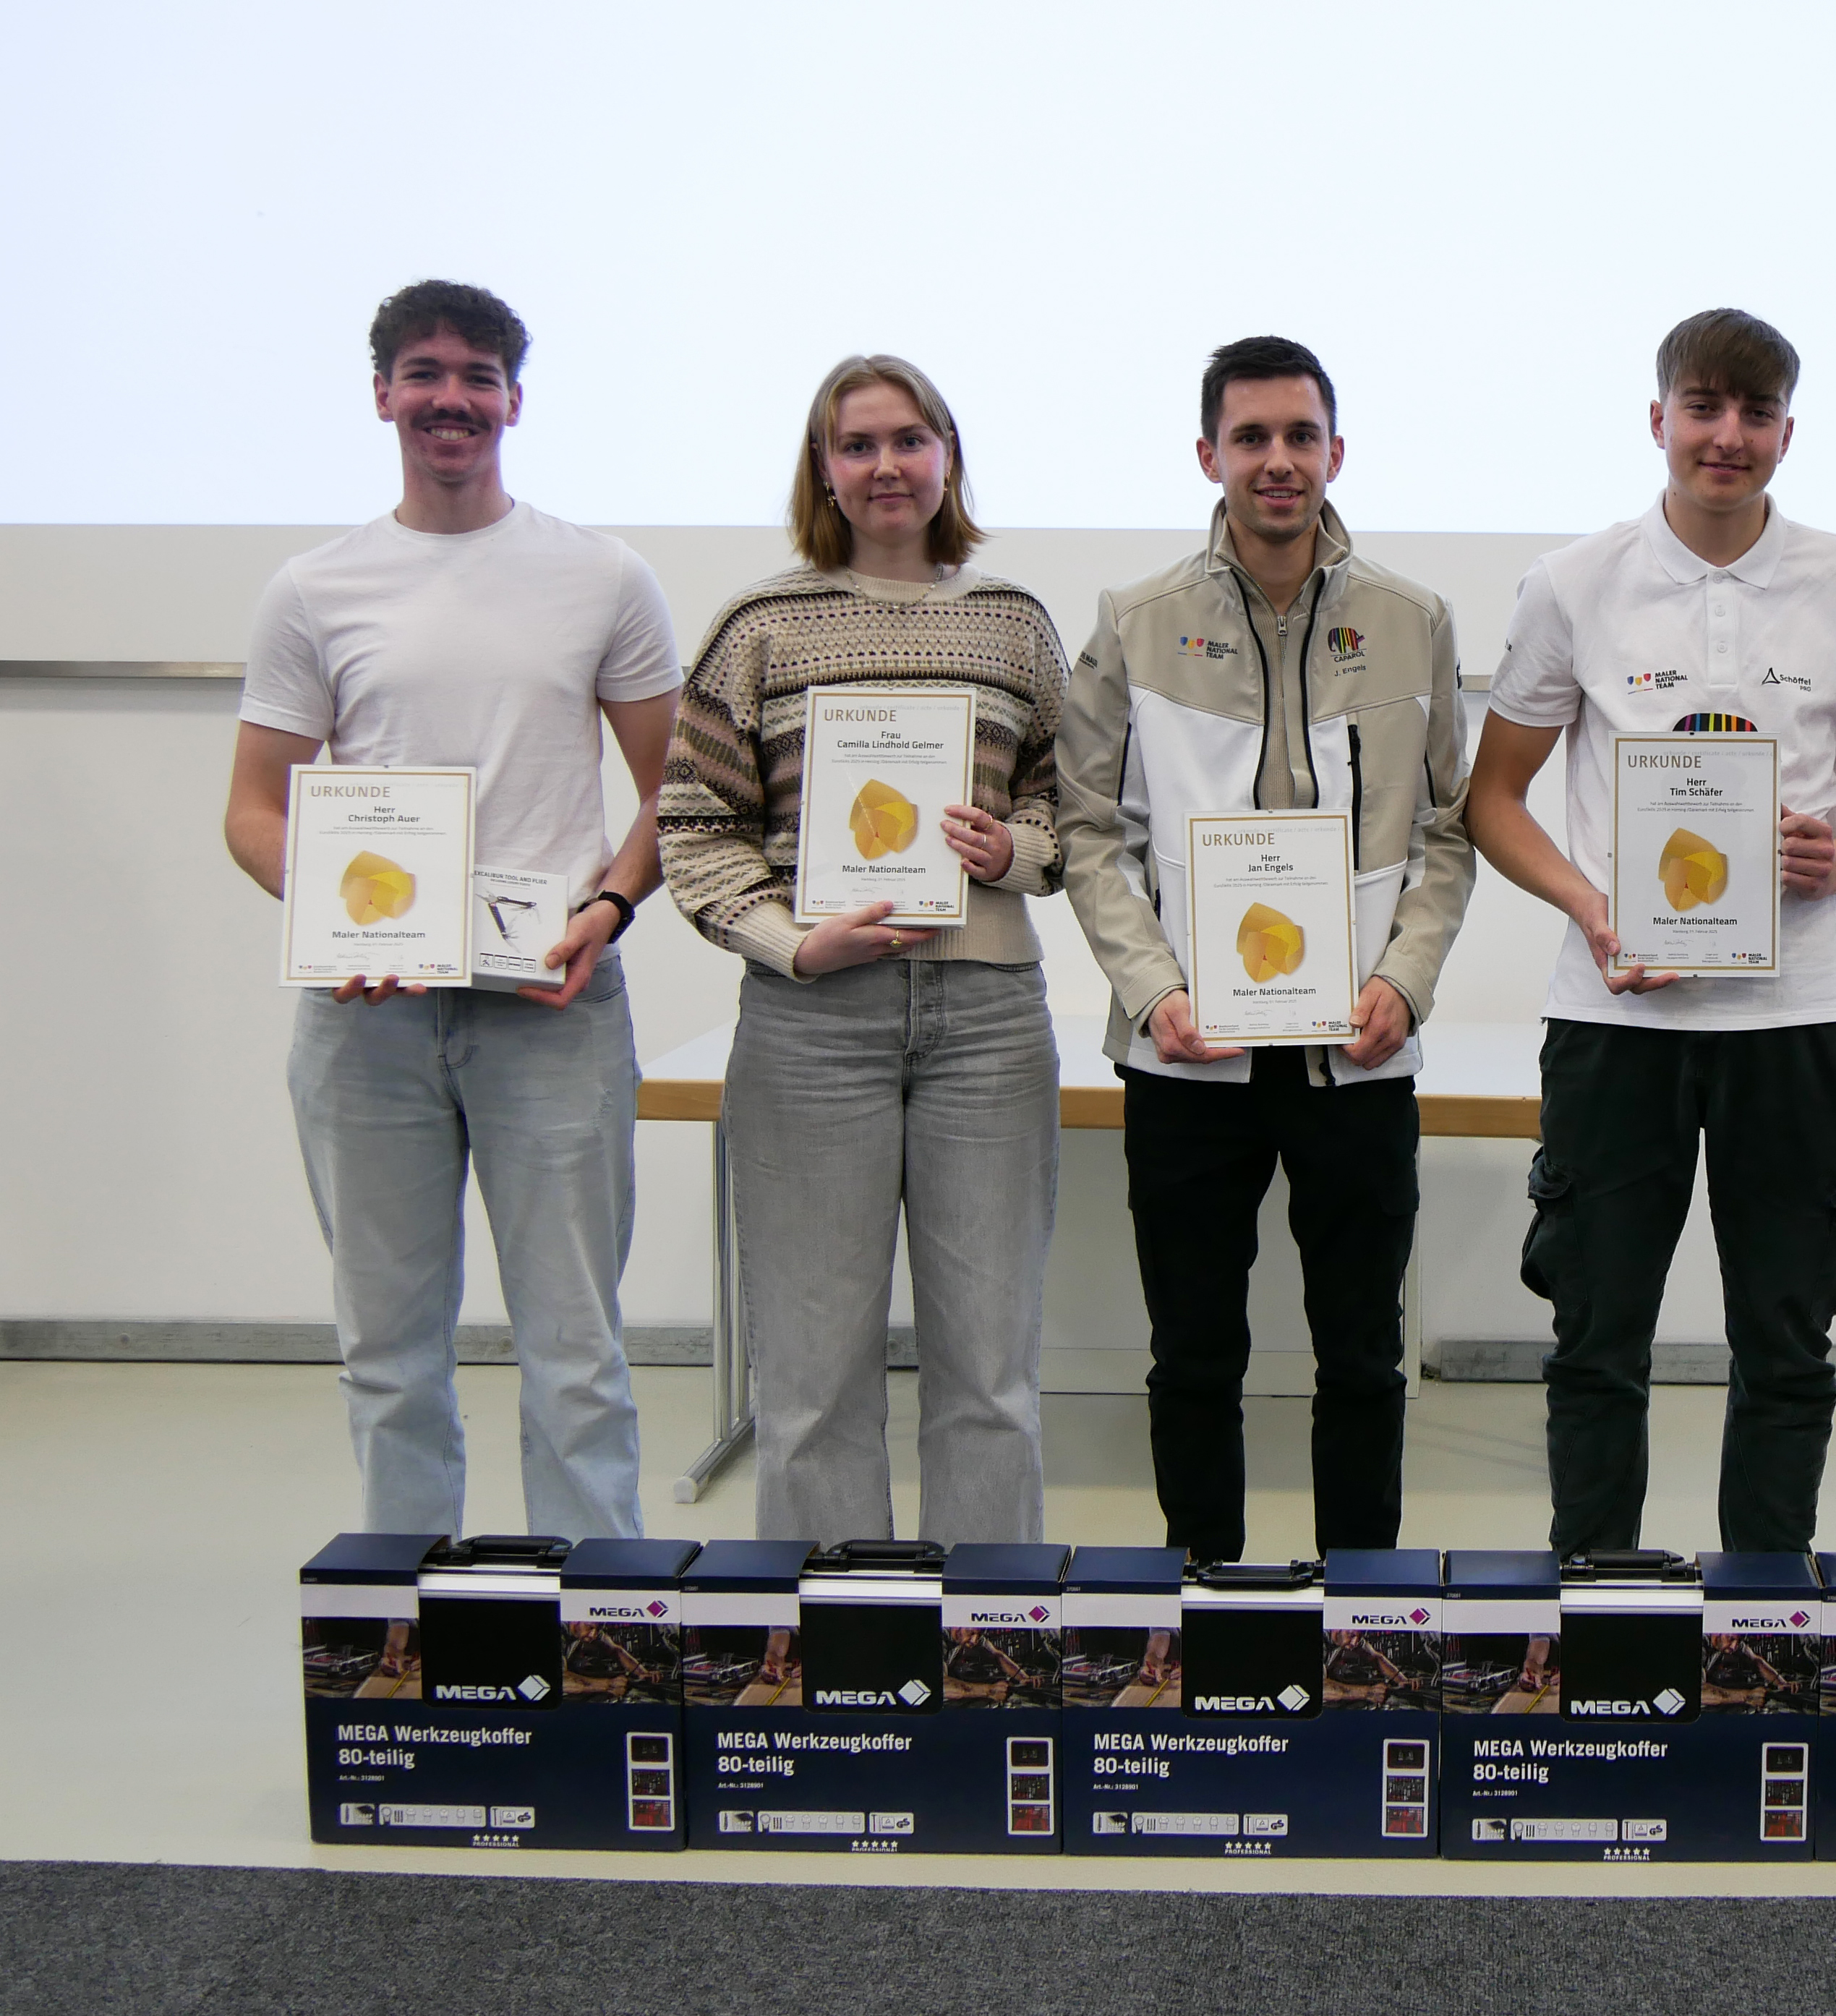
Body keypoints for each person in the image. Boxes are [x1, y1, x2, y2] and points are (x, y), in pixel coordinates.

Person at [224, 280, 680, 1542]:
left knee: (575, 1358)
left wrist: (609, 905)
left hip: (554, 1010)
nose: (451, 399)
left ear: (514, 403)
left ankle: (604, 1639)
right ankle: (407, 1639)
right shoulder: (314, 589)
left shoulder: (602, 576)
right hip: (367, 1025)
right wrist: (335, 916)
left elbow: (673, 795)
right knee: (388, 1354)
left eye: (478, 377)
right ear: (382, 394)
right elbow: (255, 809)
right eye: (424, 373)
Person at [1468, 308, 1836, 1554]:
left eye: (1756, 414)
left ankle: (1760, 1612)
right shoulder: (1574, 582)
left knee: (1787, 1336)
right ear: (1657, 418)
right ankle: (1595, 1595)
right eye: (1704, 409)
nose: (1728, 438)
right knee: (1596, 1330)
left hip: (1797, 1017)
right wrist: (1587, 903)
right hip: (1619, 1012)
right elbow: (1492, 797)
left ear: (1786, 431)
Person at [1056, 336, 1477, 1563]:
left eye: (1301, 437)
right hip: (1190, 1054)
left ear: (1336, 452)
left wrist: (1405, 979)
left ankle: (1361, 1610)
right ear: (1209, 456)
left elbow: (1447, 831)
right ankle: (1205, 1601)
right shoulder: (1136, 625)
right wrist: (1154, 992)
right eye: (1252, 438)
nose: (1278, 462)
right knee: (1194, 1352)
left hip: (1360, 1052)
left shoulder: (1414, 623)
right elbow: (1090, 831)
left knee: (1361, 1355)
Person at [659, 354, 1067, 1546]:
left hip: (986, 1020)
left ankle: (992, 1638)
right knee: (810, 1379)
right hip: (809, 1023)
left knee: (990, 1375)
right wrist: (791, 944)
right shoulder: (758, 626)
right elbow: (694, 825)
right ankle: (827, 1649)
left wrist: (1011, 853)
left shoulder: (1014, 626)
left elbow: (1070, 810)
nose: (886, 465)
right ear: (824, 472)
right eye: (856, 445)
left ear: (947, 457)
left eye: (909, 439)